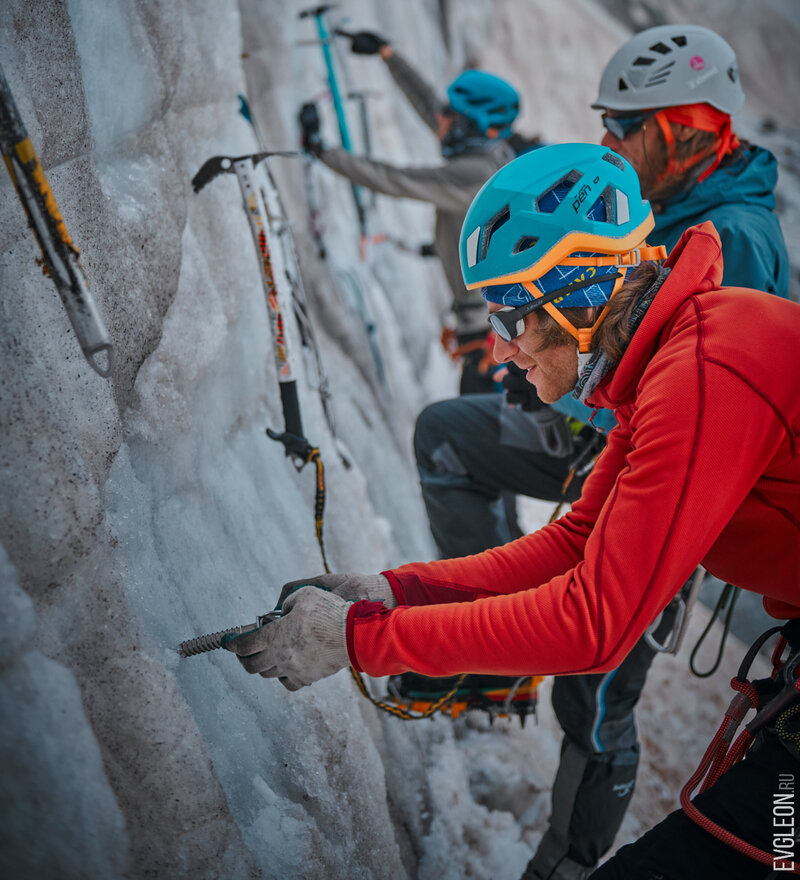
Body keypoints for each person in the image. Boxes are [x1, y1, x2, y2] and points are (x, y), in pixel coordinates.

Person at [224, 140, 800, 879]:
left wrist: (362, 642)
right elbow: (576, 541)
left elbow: (592, 625)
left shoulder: (702, 371)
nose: (498, 353)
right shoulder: (668, 359)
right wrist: (395, 591)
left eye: (510, 318)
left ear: (579, 295)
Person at [406, 25, 791, 877]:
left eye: (624, 126)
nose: (607, 141)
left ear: (681, 128)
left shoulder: (735, 241)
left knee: (598, 681)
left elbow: (696, 411)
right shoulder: (667, 209)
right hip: (614, 449)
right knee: (451, 435)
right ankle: (491, 667)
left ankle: (567, 864)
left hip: (675, 483)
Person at [299, 28, 525, 392]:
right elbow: (431, 107)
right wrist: (389, 55)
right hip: (492, 329)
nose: (440, 117)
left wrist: (322, 151)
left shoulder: (474, 176)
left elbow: (393, 179)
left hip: (489, 340)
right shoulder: (491, 154)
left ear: (468, 124)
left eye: (450, 114)